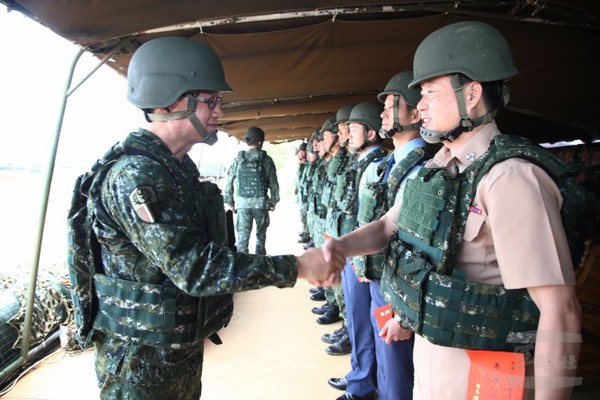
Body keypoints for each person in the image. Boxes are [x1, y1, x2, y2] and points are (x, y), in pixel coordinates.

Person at [321, 21, 581, 399]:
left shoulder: (509, 179)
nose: (420, 105)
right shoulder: (436, 170)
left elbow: (561, 312)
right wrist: (341, 248)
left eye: (429, 92)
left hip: (485, 378)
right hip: (433, 367)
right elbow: (388, 226)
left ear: (472, 93)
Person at [84, 36, 343, 400]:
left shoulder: (176, 169)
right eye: (210, 101)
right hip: (140, 362)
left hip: (177, 349)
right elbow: (194, 268)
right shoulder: (135, 177)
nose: (219, 112)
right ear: (170, 101)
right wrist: (296, 267)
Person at [330, 71, 428, 400]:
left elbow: (411, 239)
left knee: (396, 370)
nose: (384, 112)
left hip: (398, 283)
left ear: (416, 114)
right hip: (380, 274)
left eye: (392, 105)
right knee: (386, 363)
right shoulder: (391, 163)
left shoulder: (421, 169)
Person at [332, 102, 387, 400]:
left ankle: (363, 382)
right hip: (352, 251)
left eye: (353, 129)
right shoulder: (361, 163)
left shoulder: (378, 165)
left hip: (362, 256)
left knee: (364, 322)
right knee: (357, 319)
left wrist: (362, 258)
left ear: (371, 132)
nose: (347, 136)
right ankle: (360, 375)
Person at [224, 126, 280, 255]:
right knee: (261, 237)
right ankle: (260, 265)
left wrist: (230, 201)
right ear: (260, 142)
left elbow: (229, 181)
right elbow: (273, 182)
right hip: (261, 205)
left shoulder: (239, 159)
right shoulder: (266, 160)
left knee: (242, 240)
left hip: (243, 205)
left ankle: (243, 268)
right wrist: (274, 201)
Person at [295, 141, 311, 244]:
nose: (301, 155)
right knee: (302, 215)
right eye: (299, 152)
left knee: (306, 215)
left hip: (307, 196)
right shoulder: (300, 165)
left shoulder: (307, 164)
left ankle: (308, 236)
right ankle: (306, 232)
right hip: (302, 195)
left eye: (303, 152)